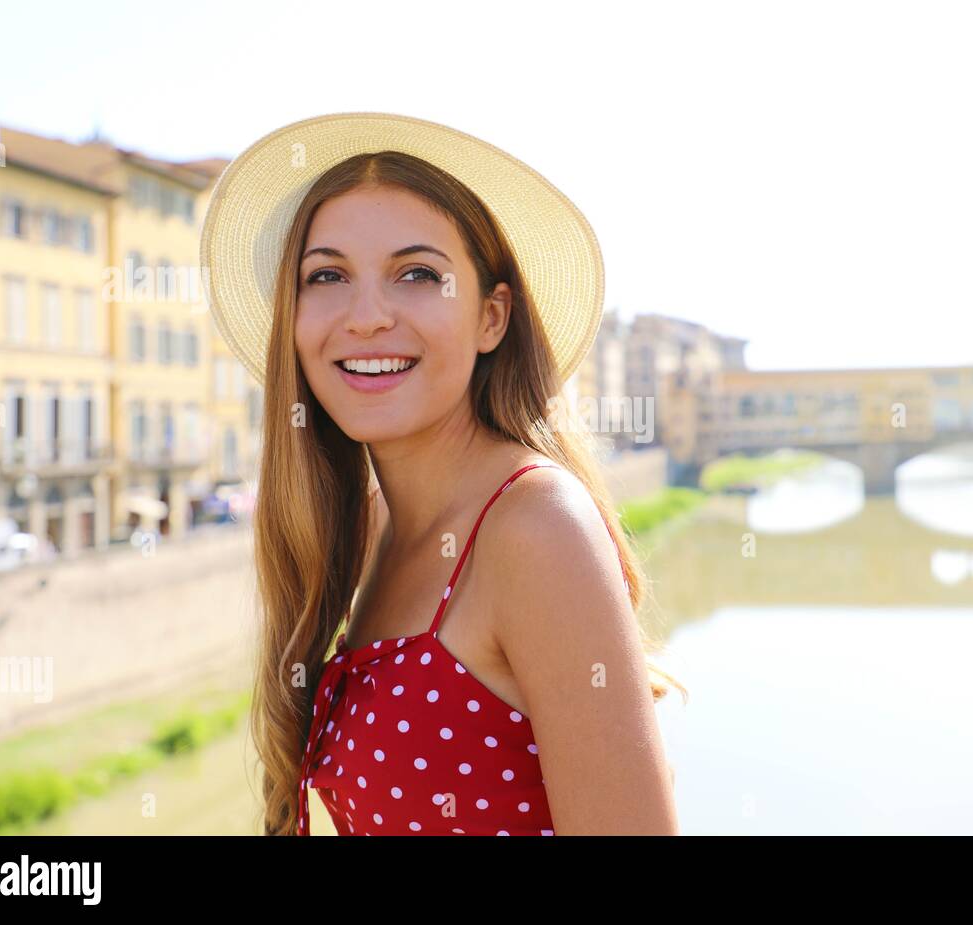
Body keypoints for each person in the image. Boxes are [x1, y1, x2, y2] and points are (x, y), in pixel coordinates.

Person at [199, 112, 685, 836]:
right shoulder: (374, 530)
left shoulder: (535, 523)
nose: (366, 317)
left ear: (492, 317)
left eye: (417, 274)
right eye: (327, 274)